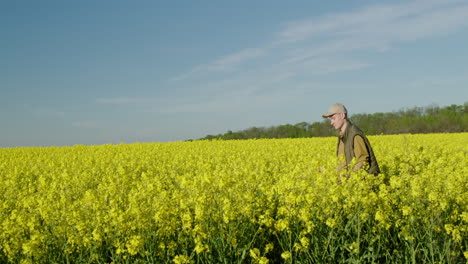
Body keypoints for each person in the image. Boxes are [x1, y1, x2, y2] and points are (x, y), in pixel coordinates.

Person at [322, 103, 380, 175]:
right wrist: (329, 171)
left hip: (362, 182)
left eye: (333, 118)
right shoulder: (342, 135)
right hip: (349, 183)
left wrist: (350, 176)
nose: (331, 123)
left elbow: (363, 162)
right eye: (330, 120)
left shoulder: (355, 135)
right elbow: (343, 164)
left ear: (342, 115)